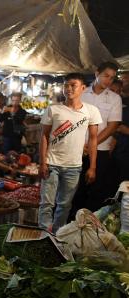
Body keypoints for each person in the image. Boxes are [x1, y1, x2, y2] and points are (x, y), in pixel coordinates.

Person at [38, 73, 101, 233]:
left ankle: (57, 235)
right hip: (52, 163)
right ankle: (44, 235)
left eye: (73, 85)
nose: (68, 88)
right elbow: (44, 137)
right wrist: (42, 162)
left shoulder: (91, 111)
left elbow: (93, 140)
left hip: (74, 166)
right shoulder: (53, 109)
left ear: (83, 88)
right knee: (46, 204)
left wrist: (92, 167)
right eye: (66, 85)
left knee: (64, 205)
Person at [69, 62, 123, 215]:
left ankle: (88, 227)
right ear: (96, 73)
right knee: (74, 189)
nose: (108, 80)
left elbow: (112, 126)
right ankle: (70, 226)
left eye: (112, 78)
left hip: (100, 151)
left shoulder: (115, 99)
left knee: (95, 191)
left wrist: (91, 145)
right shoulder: (81, 93)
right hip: (77, 149)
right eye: (106, 75)